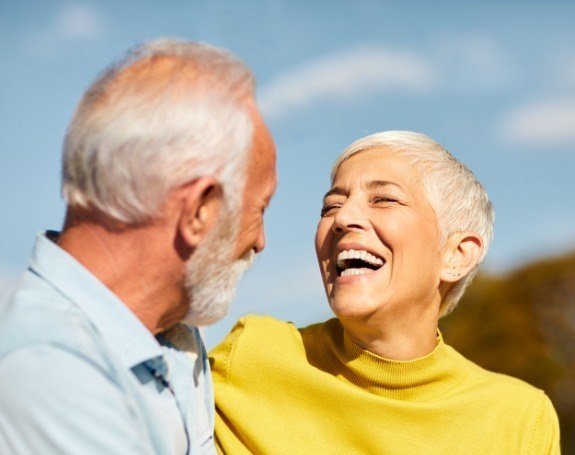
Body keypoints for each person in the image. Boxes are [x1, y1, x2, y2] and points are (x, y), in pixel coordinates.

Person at [0, 38, 276, 454]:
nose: (260, 241)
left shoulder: (174, 335)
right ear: (199, 211)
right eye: (260, 209)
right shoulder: (50, 372)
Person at [210, 131, 560, 454]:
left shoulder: (521, 419)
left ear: (456, 255)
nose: (343, 217)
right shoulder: (250, 355)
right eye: (331, 206)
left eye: (383, 199)